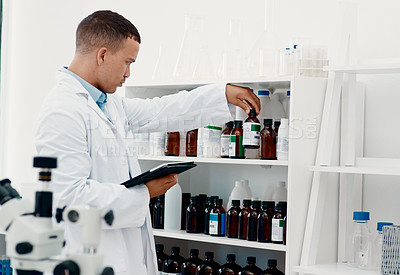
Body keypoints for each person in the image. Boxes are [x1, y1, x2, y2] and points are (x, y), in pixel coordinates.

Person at [35, 10, 260, 275]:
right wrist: (145, 193)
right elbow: (69, 200)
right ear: (103, 55)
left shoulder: (108, 104)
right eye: (127, 62)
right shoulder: (63, 109)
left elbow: (161, 111)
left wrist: (221, 94)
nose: (128, 73)